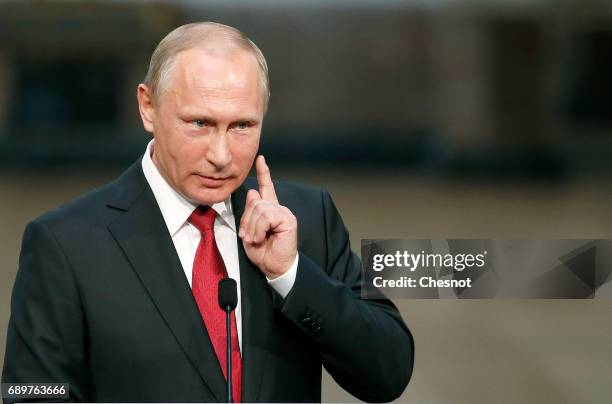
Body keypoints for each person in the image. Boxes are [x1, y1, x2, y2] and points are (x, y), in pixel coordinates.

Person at [2, 22, 414, 403]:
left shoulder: (308, 217)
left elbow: (390, 370)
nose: (221, 156)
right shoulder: (64, 242)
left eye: (242, 127)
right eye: (199, 123)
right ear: (148, 107)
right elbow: (31, 394)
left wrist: (290, 275)